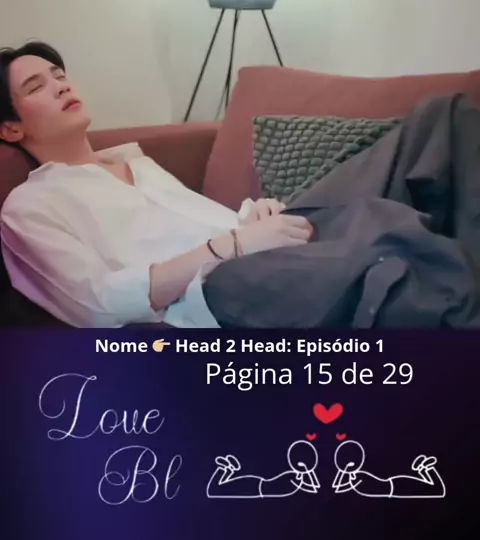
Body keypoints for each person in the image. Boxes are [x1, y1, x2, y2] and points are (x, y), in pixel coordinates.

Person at [0, 42, 313, 328]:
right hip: (225, 292)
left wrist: (253, 218)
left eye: (59, 76)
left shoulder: (138, 164)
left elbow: (204, 225)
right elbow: (99, 305)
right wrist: (232, 245)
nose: (61, 86)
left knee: (339, 190)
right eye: (36, 87)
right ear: (11, 129)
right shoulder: (31, 205)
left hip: (267, 253)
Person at [332, 440, 446, 499]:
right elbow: (337, 487)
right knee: (434, 490)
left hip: (396, 487)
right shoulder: (357, 478)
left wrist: (343, 469)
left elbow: (337, 486)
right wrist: (343, 468)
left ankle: (426, 468)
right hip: (395, 486)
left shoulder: (359, 478)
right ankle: (424, 468)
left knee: (436, 490)